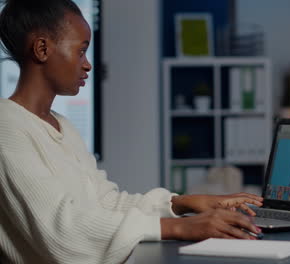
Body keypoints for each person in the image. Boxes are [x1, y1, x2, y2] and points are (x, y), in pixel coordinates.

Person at [0, 1, 262, 263]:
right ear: (42, 49)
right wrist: (181, 227)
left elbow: (105, 203)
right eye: (81, 51)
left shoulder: (62, 126)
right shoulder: (6, 125)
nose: (88, 64)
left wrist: (183, 203)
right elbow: (62, 233)